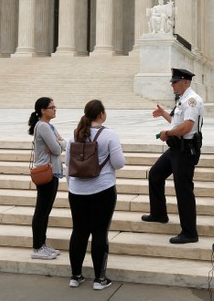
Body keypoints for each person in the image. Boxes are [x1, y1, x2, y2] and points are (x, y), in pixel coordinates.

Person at [65, 99, 126, 290]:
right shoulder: (109, 135)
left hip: (76, 191)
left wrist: (71, 187)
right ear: (101, 114)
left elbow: (68, 165)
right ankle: (100, 279)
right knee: (100, 232)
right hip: (103, 189)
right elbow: (119, 163)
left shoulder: (73, 135)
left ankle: (76, 276)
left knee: (79, 231)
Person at [142, 68, 204, 244]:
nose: (172, 85)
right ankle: (159, 214)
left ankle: (190, 233)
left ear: (185, 82)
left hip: (185, 151)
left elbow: (186, 128)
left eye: (175, 82)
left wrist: (167, 133)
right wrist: (163, 115)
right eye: (172, 82)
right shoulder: (182, 100)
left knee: (183, 190)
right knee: (155, 174)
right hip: (176, 149)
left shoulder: (192, 100)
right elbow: (177, 123)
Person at [27, 97, 64, 260]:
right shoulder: (43, 126)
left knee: (46, 209)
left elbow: (62, 144)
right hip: (46, 171)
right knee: (42, 209)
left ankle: (42, 244)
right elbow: (57, 149)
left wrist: (58, 143)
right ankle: (37, 247)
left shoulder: (49, 126)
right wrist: (58, 143)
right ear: (43, 110)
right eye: (52, 107)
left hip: (52, 170)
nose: (55, 109)